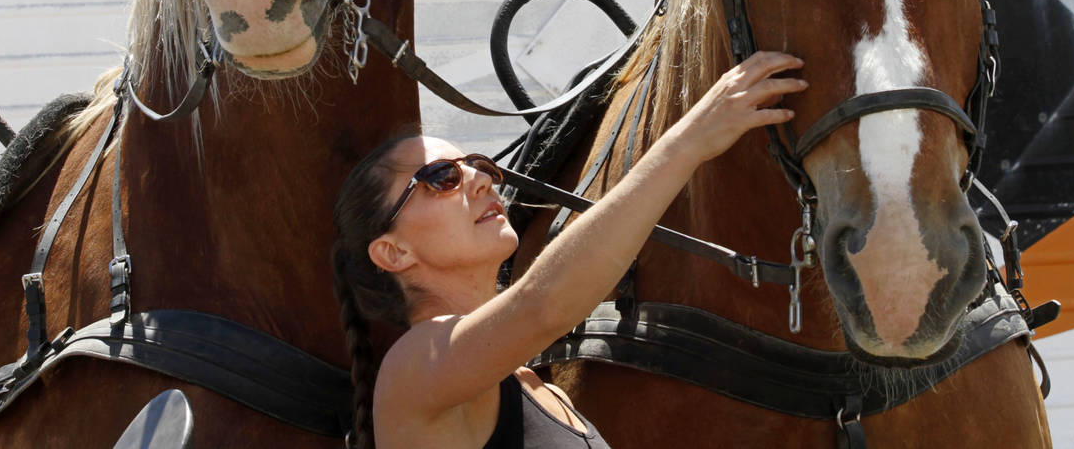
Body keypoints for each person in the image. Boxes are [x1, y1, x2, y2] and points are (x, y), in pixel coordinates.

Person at [332, 51, 806, 448]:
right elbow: (543, 304)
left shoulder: (538, 387)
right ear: (393, 253)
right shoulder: (413, 369)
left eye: (477, 163)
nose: (480, 178)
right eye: (442, 178)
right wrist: (689, 140)